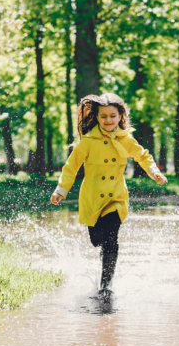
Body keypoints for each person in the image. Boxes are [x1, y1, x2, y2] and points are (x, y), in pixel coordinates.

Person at [50, 93, 168, 297]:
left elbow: (142, 156)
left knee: (111, 238)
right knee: (97, 241)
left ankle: (106, 285)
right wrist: (61, 190)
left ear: (120, 116)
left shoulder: (125, 139)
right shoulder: (87, 142)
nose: (108, 120)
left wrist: (154, 171)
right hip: (92, 198)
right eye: (103, 116)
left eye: (113, 116)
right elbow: (71, 167)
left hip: (116, 197)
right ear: (96, 117)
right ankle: (104, 272)